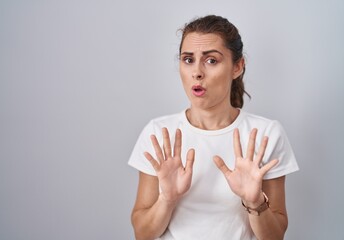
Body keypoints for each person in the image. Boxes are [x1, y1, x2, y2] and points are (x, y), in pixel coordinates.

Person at [128, 15, 299, 240]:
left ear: (237, 66)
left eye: (211, 60)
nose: (197, 72)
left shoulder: (266, 134)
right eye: (188, 59)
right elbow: (142, 233)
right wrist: (167, 199)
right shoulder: (159, 133)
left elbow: (275, 236)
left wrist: (255, 201)